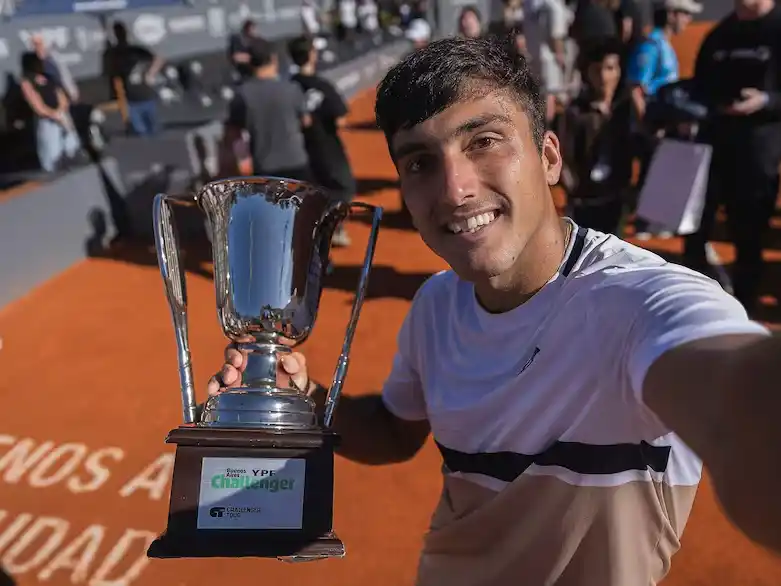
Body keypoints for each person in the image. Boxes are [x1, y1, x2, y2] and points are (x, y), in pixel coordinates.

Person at [208, 36, 781, 584]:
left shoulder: (645, 302)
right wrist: (300, 404)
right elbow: (393, 430)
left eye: (484, 140)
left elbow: (734, 396)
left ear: (549, 156)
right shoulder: (435, 303)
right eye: (419, 162)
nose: (455, 188)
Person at [685, 0, 781, 313]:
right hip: (712, 148)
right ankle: (697, 310)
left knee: (748, 235)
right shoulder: (720, 34)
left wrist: (766, 100)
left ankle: (745, 312)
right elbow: (699, 85)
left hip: (757, 151)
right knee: (696, 231)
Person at [625, 0, 701, 239]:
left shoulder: (663, 44)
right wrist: (647, 125)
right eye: (685, 14)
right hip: (652, 125)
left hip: (663, 124)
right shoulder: (651, 46)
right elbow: (636, 88)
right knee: (649, 172)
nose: (688, 20)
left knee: (660, 173)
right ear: (671, 15)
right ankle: (642, 222)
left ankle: (652, 219)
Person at [289, 35, 356, 247]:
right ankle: (330, 230)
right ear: (311, 55)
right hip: (326, 146)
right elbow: (341, 119)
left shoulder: (289, 86)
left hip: (298, 149)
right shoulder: (321, 85)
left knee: (310, 191)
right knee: (342, 188)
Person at [561, 38, 633, 234]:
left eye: (610, 68)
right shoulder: (576, 112)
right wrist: (573, 188)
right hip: (585, 203)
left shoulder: (625, 110)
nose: (603, 76)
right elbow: (563, 156)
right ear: (587, 73)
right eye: (597, 70)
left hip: (616, 198)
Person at [226, 37, 312, 181]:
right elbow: (306, 122)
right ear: (274, 59)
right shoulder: (292, 88)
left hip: (265, 169)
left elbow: (233, 136)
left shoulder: (242, 95)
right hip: (296, 162)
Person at [19, 52, 82, 172]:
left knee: (71, 145)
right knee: (52, 152)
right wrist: (52, 114)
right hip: (46, 120)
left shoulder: (48, 76)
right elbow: (36, 104)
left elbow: (60, 94)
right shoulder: (27, 81)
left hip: (61, 115)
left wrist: (61, 110)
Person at [105, 21, 164, 137]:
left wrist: (151, 74)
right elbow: (113, 76)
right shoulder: (114, 54)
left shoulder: (136, 50)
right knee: (140, 132)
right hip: (131, 99)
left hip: (147, 95)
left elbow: (158, 58)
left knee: (155, 130)